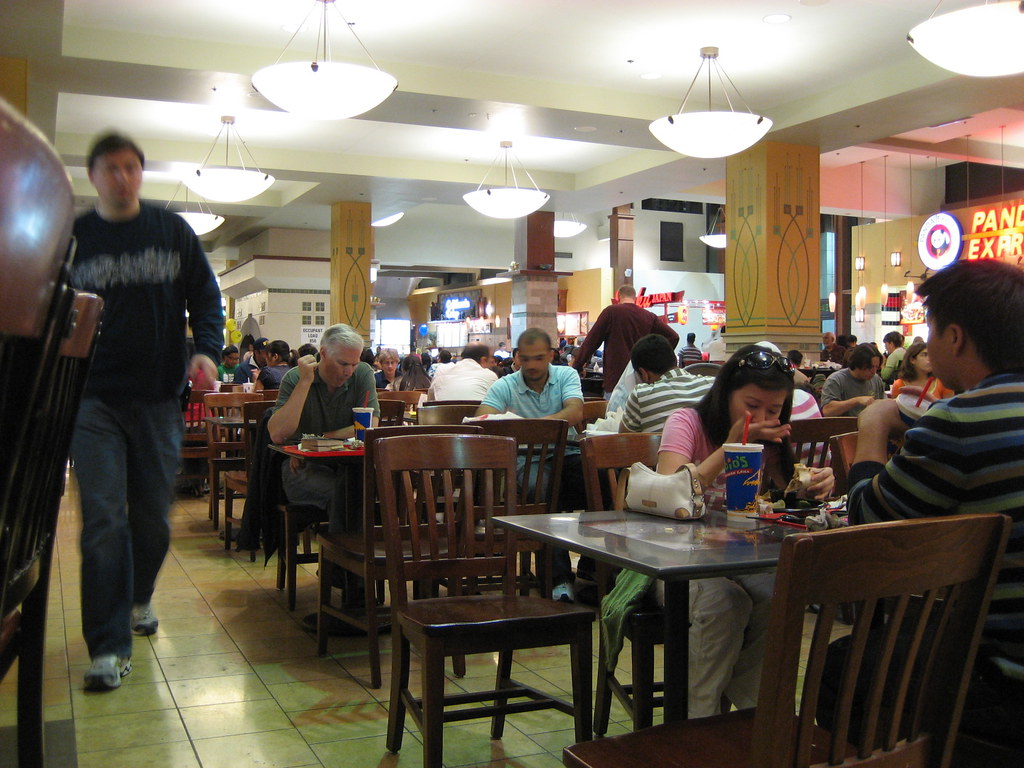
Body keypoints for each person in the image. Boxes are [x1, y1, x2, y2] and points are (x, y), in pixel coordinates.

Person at [845, 259, 1024, 746]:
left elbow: (867, 526)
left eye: (930, 327)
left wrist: (874, 429)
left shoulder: (962, 419)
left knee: (843, 672)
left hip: (1002, 681)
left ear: (956, 338)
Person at [69, 132, 222, 691]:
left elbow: (206, 297)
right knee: (104, 520)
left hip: (159, 397)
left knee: (153, 514)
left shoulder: (170, 231)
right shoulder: (75, 237)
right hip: (92, 399)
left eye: (132, 167)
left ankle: (139, 593)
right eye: (111, 168)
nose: (122, 177)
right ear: (93, 176)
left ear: (141, 173)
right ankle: (107, 647)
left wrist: (205, 349)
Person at [656, 345, 833, 717]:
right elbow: (670, 490)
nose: (762, 417)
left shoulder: (768, 440)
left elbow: (790, 493)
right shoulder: (687, 421)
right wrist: (731, 447)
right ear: (726, 394)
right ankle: (696, 723)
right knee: (725, 602)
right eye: (752, 405)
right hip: (672, 558)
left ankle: (752, 718)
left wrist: (814, 483)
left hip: (736, 554)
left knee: (779, 593)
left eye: (773, 410)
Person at [478, 328, 585, 601]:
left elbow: (575, 411)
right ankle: (559, 579)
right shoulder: (506, 385)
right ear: (517, 359)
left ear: (551, 355)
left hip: (566, 454)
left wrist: (528, 428)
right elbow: (482, 419)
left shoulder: (566, 375)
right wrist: (543, 429)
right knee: (546, 493)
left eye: (539, 358)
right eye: (526, 359)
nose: (533, 366)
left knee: (604, 483)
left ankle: (597, 569)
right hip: (526, 461)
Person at [268, 324, 380, 534]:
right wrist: (305, 382)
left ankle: (354, 560)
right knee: (347, 492)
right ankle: (341, 563)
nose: (349, 371)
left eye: (354, 364)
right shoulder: (295, 378)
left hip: (348, 466)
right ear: (324, 353)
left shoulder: (362, 373)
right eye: (343, 363)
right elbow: (277, 434)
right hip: (300, 468)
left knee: (373, 488)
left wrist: (314, 441)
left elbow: (369, 426)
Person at [572, 285, 679, 397]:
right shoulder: (649, 316)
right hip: (642, 380)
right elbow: (673, 337)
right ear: (635, 298)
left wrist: (577, 366)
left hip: (616, 379)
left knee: (614, 413)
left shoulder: (611, 312)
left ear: (618, 297)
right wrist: (657, 361)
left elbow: (591, 342)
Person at [620, 335, 713, 434]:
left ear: (644, 374)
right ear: (674, 359)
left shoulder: (641, 394)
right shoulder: (712, 385)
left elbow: (623, 439)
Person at [819, 343, 885, 417]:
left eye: (876, 367)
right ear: (859, 363)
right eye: (870, 367)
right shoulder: (836, 380)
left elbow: (883, 406)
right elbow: (827, 411)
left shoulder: (876, 380)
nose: (874, 371)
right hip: (845, 426)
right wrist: (856, 401)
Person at [427, 343, 498, 401]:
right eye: (490, 361)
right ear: (484, 360)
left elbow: (430, 401)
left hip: (442, 417)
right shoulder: (490, 375)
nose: (492, 365)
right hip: (477, 417)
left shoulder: (442, 374)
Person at [889, 342, 954, 400]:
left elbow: (950, 410)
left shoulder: (943, 383)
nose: (930, 359)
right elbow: (896, 411)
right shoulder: (899, 385)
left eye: (932, 355)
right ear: (912, 360)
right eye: (924, 355)